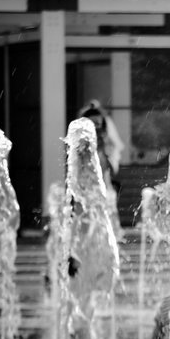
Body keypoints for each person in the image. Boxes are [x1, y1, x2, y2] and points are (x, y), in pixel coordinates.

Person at [77, 99, 126, 239]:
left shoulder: (102, 149)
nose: (96, 129)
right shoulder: (81, 150)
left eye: (98, 125)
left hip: (99, 194)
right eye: (92, 125)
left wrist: (108, 188)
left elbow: (106, 173)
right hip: (86, 196)